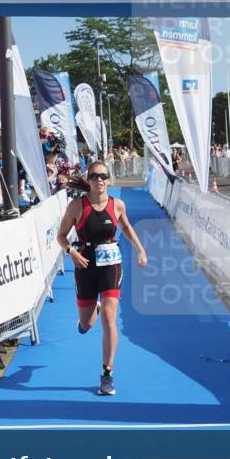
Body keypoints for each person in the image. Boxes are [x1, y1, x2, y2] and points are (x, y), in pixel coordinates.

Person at [55, 161, 147, 396]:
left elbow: (125, 227)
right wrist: (71, 252)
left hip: (110, 265)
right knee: (86, 324)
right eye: (94, 176)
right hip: (84, 264)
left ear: (108, 179)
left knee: (109, 318)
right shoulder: (77, 206)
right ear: (88, 179)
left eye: (103, 176)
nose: (99, 180)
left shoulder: (117, 205)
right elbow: (61, 236)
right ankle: (91, 310)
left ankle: (107, 374)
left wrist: (140, 249)